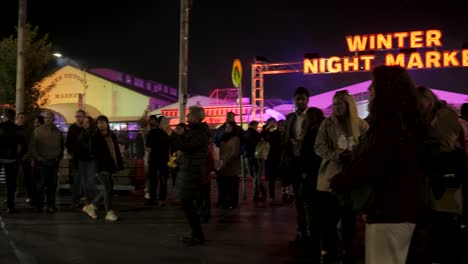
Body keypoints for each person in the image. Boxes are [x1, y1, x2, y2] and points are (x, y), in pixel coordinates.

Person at [330, 65, 424, 264]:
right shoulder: (405, 120)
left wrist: (341, 181)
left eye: (374, 86)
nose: (370, 90)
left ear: (386, 90)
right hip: (400, 208)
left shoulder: (389, 125)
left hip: (389, 209)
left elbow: (373, 162)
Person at [314, 90, 368, 262]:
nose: (337, 107)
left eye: (340, 103)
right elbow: (319, 147)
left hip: (351, 180)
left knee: (349, 220)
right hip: (330, 178)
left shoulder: (361, 125)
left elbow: (368, 148)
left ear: (348, 105)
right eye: (335, 103)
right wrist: (337, 155)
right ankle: (327, 251)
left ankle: (347, 250)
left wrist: (356, 156)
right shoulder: (327, 124)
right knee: (328, 219)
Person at [281, 86, 325, 259]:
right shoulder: (290, 118)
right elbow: (285, 140)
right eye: (297, 98)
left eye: (303, 98)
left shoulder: (313, 116)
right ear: (294, 100)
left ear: (308, 100)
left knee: (310, 202)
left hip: (309, 165)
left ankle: (312, 236)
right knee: (298, 203)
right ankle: (302, 233)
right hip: (294, 165)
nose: (300, 101)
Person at [175, 106, 209, 246]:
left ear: (195, 117)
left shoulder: (200, 133)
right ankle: (196, 233)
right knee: (187, 203)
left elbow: (187, 147)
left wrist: (176, 137)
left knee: (187, 203)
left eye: (189, 115)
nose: (187, 117)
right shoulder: (195, 131)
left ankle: (198, 235)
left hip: (192, 172)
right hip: (189, 170)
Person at [82, 115, 123, 221]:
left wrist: (118, 165)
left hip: (111, 165)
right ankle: (109, 212)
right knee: (107, 187)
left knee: (108, 188)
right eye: (99, 123)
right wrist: (98, 167)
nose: (101, 125)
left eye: (103, 122)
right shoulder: (95, 137)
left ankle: (91, 207)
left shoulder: (112, 135)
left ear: (107, 123)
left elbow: (116, 151)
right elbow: (94, 153)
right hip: (101, 166)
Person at [32, 111, 64, 213]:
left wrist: (59, 157)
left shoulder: (58, 131)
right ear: (44, 119)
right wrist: (38, 158)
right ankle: (39, 205)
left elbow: (62, 145)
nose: (48, 120)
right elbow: (33, 147)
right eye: (46, 118)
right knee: (40, 185)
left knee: (52, 185)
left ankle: (51, 204)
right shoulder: (38, 131)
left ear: (53, 119)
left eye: (50, 118)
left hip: (54, 162)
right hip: (41, 162)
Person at [0, 109, 25, 213]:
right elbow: (23, 146)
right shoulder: (18, 129)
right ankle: (11, 206)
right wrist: (18, 157)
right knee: (11, 184)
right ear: (14, 117)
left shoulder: (0, 127)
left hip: (0, 158)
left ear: (5, 116)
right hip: (13, 160)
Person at [145, 116, 170, 207]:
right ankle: (161, 199)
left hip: (154, 159)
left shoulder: (152, 133)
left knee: (153, 180)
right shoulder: (166, 134)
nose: (165, 124)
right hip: (162, 159)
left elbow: (148, 145)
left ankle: (153, 199)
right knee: (162, 180)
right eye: (164, 122)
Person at [217, 121, 241, 209]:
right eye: (226, 127)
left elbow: (234, 153)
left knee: (232, 185)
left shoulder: (235, 139)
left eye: (229, 127)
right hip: (222, 165)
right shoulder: (223, 138)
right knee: (223, 185)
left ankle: (232, 202)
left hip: (231, 165)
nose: (227, 128)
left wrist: (226, 160)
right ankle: (223, 201)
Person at [66, 110, 86, 207]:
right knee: (76, 179)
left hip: (86, 158)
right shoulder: (72, 128)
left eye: (80, 116)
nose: (78, 118)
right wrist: (71, 152)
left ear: (84, 117)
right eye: (77, 116)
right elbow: (68, 142)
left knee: (86, 180)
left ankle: (86, 200)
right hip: (76, 158)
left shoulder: (87, 128)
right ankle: (75, 200)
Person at [75, 116, 98, 204]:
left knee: (91, 181)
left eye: (87, 122)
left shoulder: (94, 134)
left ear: (91, 123)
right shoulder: (81, 134)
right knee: (84, 182)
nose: (85, 124)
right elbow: (78, 147)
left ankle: (95, 200)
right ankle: (88, 201)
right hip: (82, 160)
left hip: (91, 160)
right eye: (84, 122)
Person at [16, 112, 34, 204]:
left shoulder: (29, 130)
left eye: (23, 117)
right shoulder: (14, 129)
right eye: (20, 117)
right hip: (15, 157)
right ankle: (16, 193)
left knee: (27, 178)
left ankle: (29, 195)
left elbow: (31, 144)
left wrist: (27, 155)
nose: (21, 119)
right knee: (16, 177)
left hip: (25, 157)